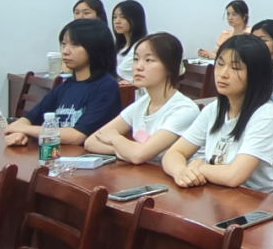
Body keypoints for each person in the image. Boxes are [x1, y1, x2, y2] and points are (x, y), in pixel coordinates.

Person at [163, 35, 273, 191]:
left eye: (235, 68)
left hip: (260, 201)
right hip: (219, 193)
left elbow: (234, 176)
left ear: (256, 74)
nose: (223, 74)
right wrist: (181, 172)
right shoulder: (214, 108)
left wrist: (199, 167)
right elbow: (174, 153)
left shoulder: (267, 115)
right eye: (220, 64)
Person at [84, 33, 200, 163]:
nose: (138, 67)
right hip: (145, 172)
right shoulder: (142, 103)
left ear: (169, 67)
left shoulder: (185, 110)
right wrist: (125, 151)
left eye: (148, 60)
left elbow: (139, 155)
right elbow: (91, 142)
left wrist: (116, 139)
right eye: (136, 59)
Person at [4, 19, 121, 146]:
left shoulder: (106, 86)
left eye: (75, 44)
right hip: (59, 154)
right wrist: (19, 133)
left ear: (95, 48)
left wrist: (25, 129)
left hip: (88, 156)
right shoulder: (66, 86)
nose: (65, 51)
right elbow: (26, 120)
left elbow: (77, 136)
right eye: (64, 44)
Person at [111, 0, 147, 85]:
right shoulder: (119, 47)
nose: (117, 21)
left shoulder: (141, 45)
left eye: (123, 17)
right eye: (115, 17)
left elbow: (121, 71)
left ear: (136, 19)